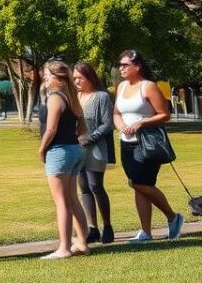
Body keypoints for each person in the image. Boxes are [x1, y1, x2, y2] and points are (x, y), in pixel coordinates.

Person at [113, 49, 184, 243]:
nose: (122, 68)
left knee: (139, 183)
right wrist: (121, 126)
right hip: (126, 143)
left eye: (125, 65)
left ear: (137, 66)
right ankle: (146, 232)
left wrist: (141, 123)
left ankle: (173, 216)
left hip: (146, 143)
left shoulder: (148, 86)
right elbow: (116, 113)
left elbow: (164, 114)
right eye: (120, 65)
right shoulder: (121, 87)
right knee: (140, 186)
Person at [38, 61, 90, 259]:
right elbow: (83, 128)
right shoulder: (72, 97)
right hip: (74, 149)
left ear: (57, 77)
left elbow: (51, 129)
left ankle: (64, 247)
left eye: (47, 75)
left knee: (61, 202)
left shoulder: (55, 98)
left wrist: (42, 149)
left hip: (59, 151)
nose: (45, 78)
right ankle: (83, 243)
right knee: (72, 198)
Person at [73, 62, 115, 244]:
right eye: (74, 78)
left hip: (95, 148)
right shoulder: (74, 97)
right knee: (84, 187)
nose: (76, 81)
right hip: (76, 149)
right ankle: (92, 228)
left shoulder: (101, 97)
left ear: (90, 77)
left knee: (95, 185)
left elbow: (108, 123)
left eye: (80, 78)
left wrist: (90, 138)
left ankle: (107, 226)